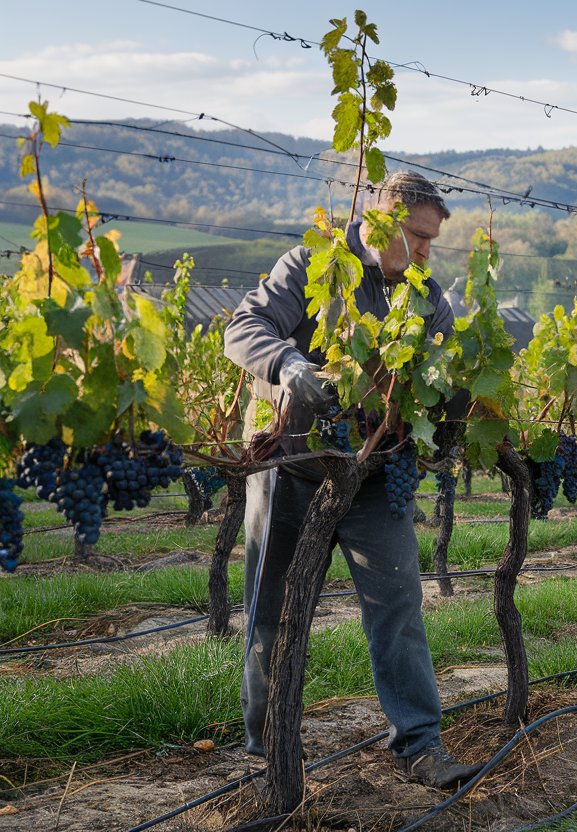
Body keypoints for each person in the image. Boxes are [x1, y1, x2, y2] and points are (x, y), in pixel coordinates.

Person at [223, 170, 481, 789]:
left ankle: (420, 746)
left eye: (431, 242)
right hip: (292, 466)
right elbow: (242, 328)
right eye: (418, 237)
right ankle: (264, 743)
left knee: (398, 607)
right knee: (273, 609)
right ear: (384, 220)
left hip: (373, 475)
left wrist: (457, 421)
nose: (425, 251)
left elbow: (444, 385)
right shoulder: (317, 264)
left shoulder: (429, 299)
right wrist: (287, 363)